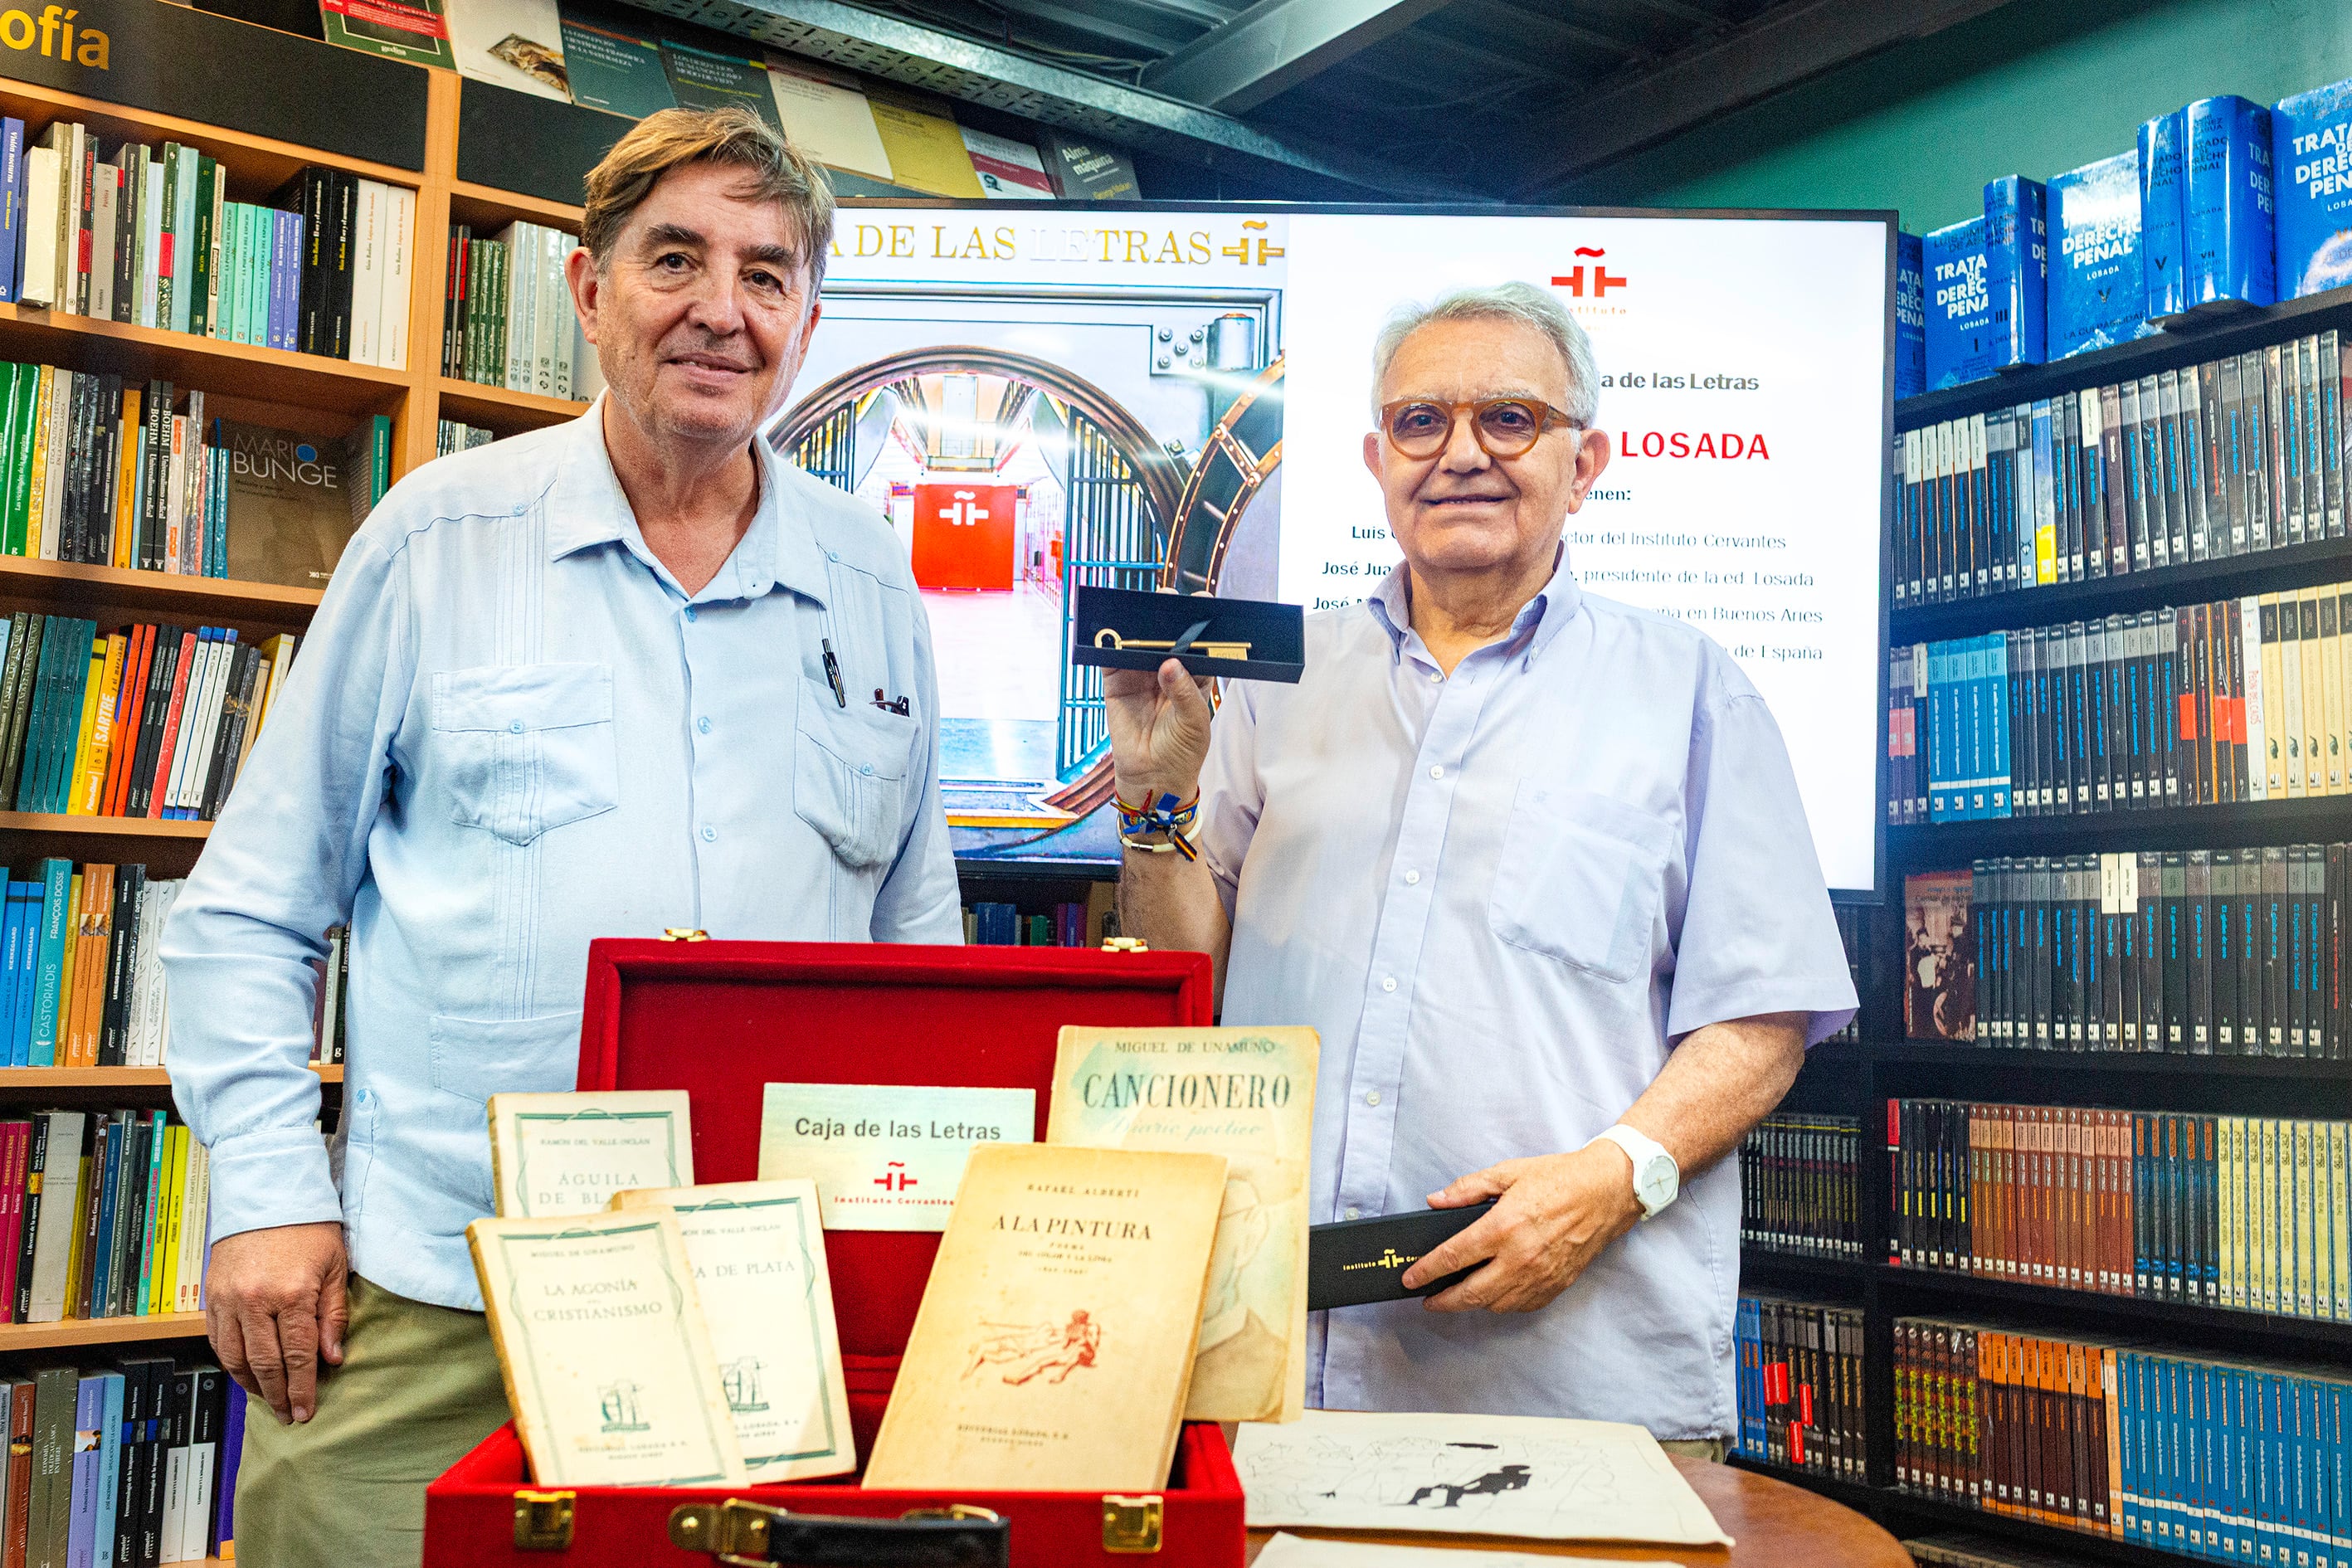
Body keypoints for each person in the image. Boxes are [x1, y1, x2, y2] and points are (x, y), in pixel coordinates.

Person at [162, 106, 959, 1566]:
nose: (721, 309)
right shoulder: (437, 540)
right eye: (677, 259)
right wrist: (266, 1196)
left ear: (807, 323)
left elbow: (919, 958)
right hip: (444, 1301)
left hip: (774, 1319)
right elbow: (246, 912)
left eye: (767, 276)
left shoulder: (870, 581)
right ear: (590, 292)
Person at [1106, 280, 1857, 1454]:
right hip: (1275, 1364)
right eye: (1421, 422)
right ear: (1377, 461)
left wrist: (1612, 1180)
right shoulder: (1276, 682)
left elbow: (1761, 1018)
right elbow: (1183, 976)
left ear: (1585, 462)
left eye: (1509, 418)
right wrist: (1153, 802)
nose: (1461, 453)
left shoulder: (1689, 690)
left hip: (1570, 1382)